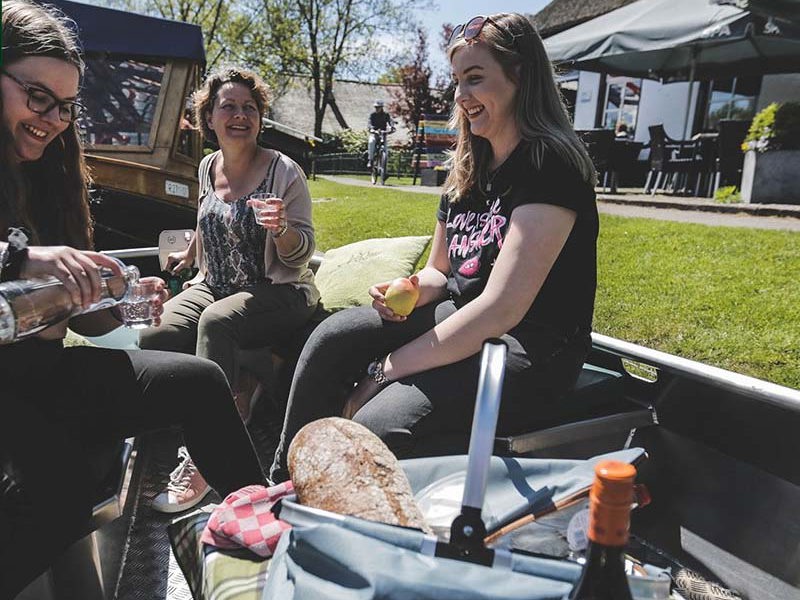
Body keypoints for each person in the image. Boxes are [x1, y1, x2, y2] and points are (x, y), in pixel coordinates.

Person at [0, 1, 265, 596]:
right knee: (65, 485)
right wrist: (18, 259)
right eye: (37, 96)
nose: (53, 119)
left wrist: (110, 303)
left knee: (197, 380)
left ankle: (269, 540)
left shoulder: (53, 171)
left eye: (66, 106)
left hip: (39, 367)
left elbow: (84, 326)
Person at [270, 13, 598, 482]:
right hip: (462, 322)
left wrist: (387, 369)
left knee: (376, 427)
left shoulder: (551, 167)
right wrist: (410, 287)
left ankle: (356, 513)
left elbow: (499, 310)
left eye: (476, 78)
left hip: (528, 348)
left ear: (520, 76)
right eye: (458, 81)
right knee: (331, 339)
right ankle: (282, 484)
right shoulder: (467, 168)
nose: (462, 96)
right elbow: (441, 272)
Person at [139, 67, 319, 512]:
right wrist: (188, 257)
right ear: (210, 117)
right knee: (152, 334)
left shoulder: (283, 172)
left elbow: (302, 254)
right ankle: (240, 383)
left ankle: (204, 457)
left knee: (216, 323)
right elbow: (209, 221)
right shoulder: (207, 166)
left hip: (279, 289)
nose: (241, 115)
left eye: (250, 108)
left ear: (260, 117)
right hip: (213, 283)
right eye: (229, 107)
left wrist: (280, 230)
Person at [366, 99, 395, 169]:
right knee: (371, 142)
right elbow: (369, 123)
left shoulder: (386, 115)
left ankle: (384, 168)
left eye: (378, 107)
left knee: (385, 149)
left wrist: (392, 127)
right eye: (376, 107)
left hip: (383, 134)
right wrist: (372, 129)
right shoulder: (372, 115)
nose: (377, 109)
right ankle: (370, 160)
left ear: (382, 107)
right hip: (375, 133)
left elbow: (390, 121)